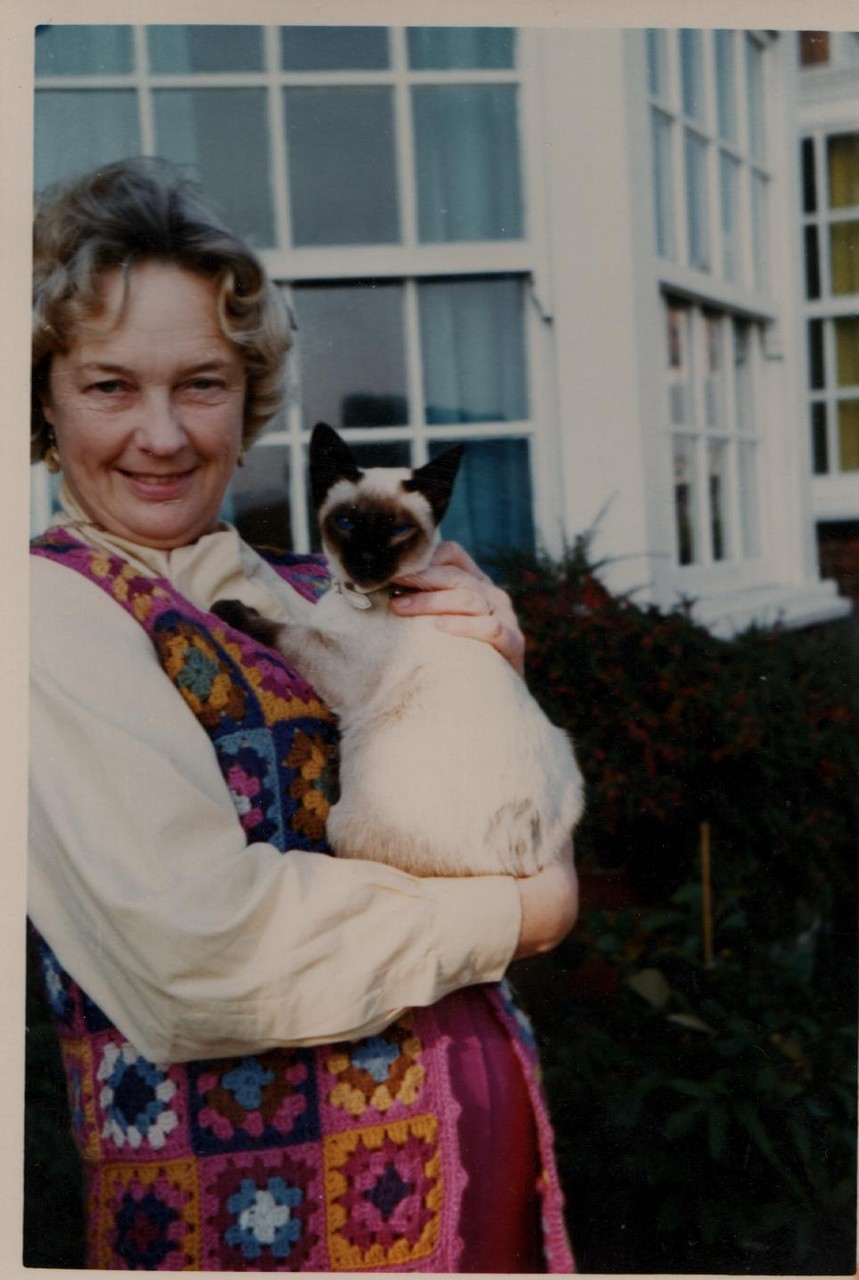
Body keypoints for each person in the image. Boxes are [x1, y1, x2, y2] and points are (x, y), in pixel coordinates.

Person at [28, 156, 579, 1273]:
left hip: (462, 1171)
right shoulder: (45, 611)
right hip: (269, 1225)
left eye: (200, 382)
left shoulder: (297, 580)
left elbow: (480, 800)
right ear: (40, 394)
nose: (164, 434)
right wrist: (520, 913)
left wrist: (488, 670)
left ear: (250, 393)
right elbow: (201, 953)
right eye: (108, 386)